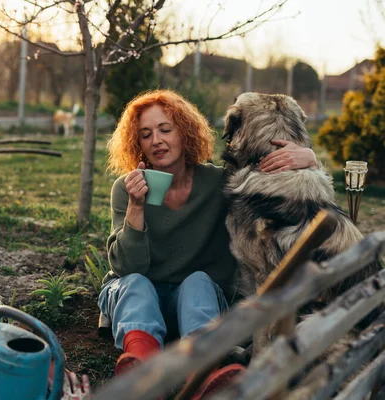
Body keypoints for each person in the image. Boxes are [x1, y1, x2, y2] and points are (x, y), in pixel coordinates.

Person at [98, 90, 317, 396]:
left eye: (165, 129)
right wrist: (136, 206)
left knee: (198, 282)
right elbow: (127, 267)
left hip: (191, 305)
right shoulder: (127, 188)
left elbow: (272, 180)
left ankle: (204, 375)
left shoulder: (219, 183)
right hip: (137, 298)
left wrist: (310, 159)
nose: (156, 141)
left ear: (185, 131)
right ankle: (142, 371)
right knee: (136, 284)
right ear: (138, 144)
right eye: (145, 135)